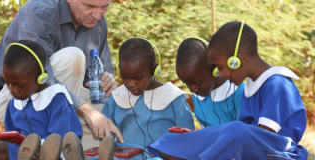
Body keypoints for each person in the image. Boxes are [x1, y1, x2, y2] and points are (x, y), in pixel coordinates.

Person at [147, 22, 308, 160]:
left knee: (233, 129)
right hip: (252, 146)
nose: (220, 74)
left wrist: (216, 137)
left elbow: (261, 136)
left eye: (220, 67)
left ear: (236, 61)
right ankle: (170, 146)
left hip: (281, 152)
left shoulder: (277, 83)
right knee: (184, 137)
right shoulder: (252, 86)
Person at [0, 0, 123, 149]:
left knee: (113, 119)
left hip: (65, 102)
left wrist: (107, 81)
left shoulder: (98, 22)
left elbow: (97, 80)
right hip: (17, 98)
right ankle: (50, 145)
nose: (97, 15)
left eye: (104, 7)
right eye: (89, 6)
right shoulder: (40, 10)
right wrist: (88, 111)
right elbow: (39, 77)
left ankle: (62, 148)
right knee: (73, 57)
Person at [88, 38, 195, 160]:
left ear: (154, 69)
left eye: (138, 78)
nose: (130, 84)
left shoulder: (174, 99)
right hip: (124, 157)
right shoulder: (116, 98)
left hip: (160, 156)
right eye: (124, 77)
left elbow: (188, 138)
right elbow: (107, 137)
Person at [0, 40, 82, 160]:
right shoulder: (13, 104)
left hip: (55, 152)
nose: (12, 90)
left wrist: (38, 148)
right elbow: (12, 137)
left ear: (41, 77)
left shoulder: (56, 97)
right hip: (24, 153)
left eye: (20, 85)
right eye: (7, 83)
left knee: (54, 148)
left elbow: (61, 136)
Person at [176, 36, 244, 128]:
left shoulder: (240, 93)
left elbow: (246, 132)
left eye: (197, 83)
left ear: (216, 70)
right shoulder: (197, 95)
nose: (192, 89)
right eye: (186, 83)